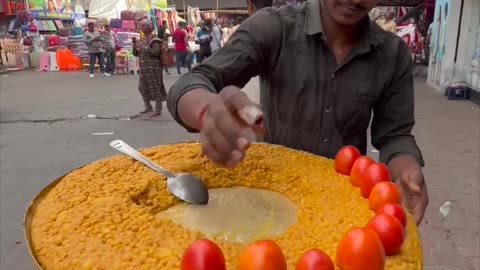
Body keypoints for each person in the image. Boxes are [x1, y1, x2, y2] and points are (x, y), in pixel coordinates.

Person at [167, 0, 429, 225]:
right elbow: (192, 83)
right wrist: (206, 110)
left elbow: (395, 136)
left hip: (342, 208)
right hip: (272, 202)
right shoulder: (274, 27)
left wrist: (406, 168)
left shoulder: (392, 55)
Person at [132, 20, 167, 117]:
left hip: (153, 67)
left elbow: (155, 52)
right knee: (141, 87)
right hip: (144, 67)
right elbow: (136, 54)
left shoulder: (154, 39)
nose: (142, 27)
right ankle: (148, 106)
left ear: (149, 27)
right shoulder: (142, 39)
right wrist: (134, 47)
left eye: (144, 25)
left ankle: (158, 109)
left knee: (155, 87)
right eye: (141, 25)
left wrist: (143, 47)